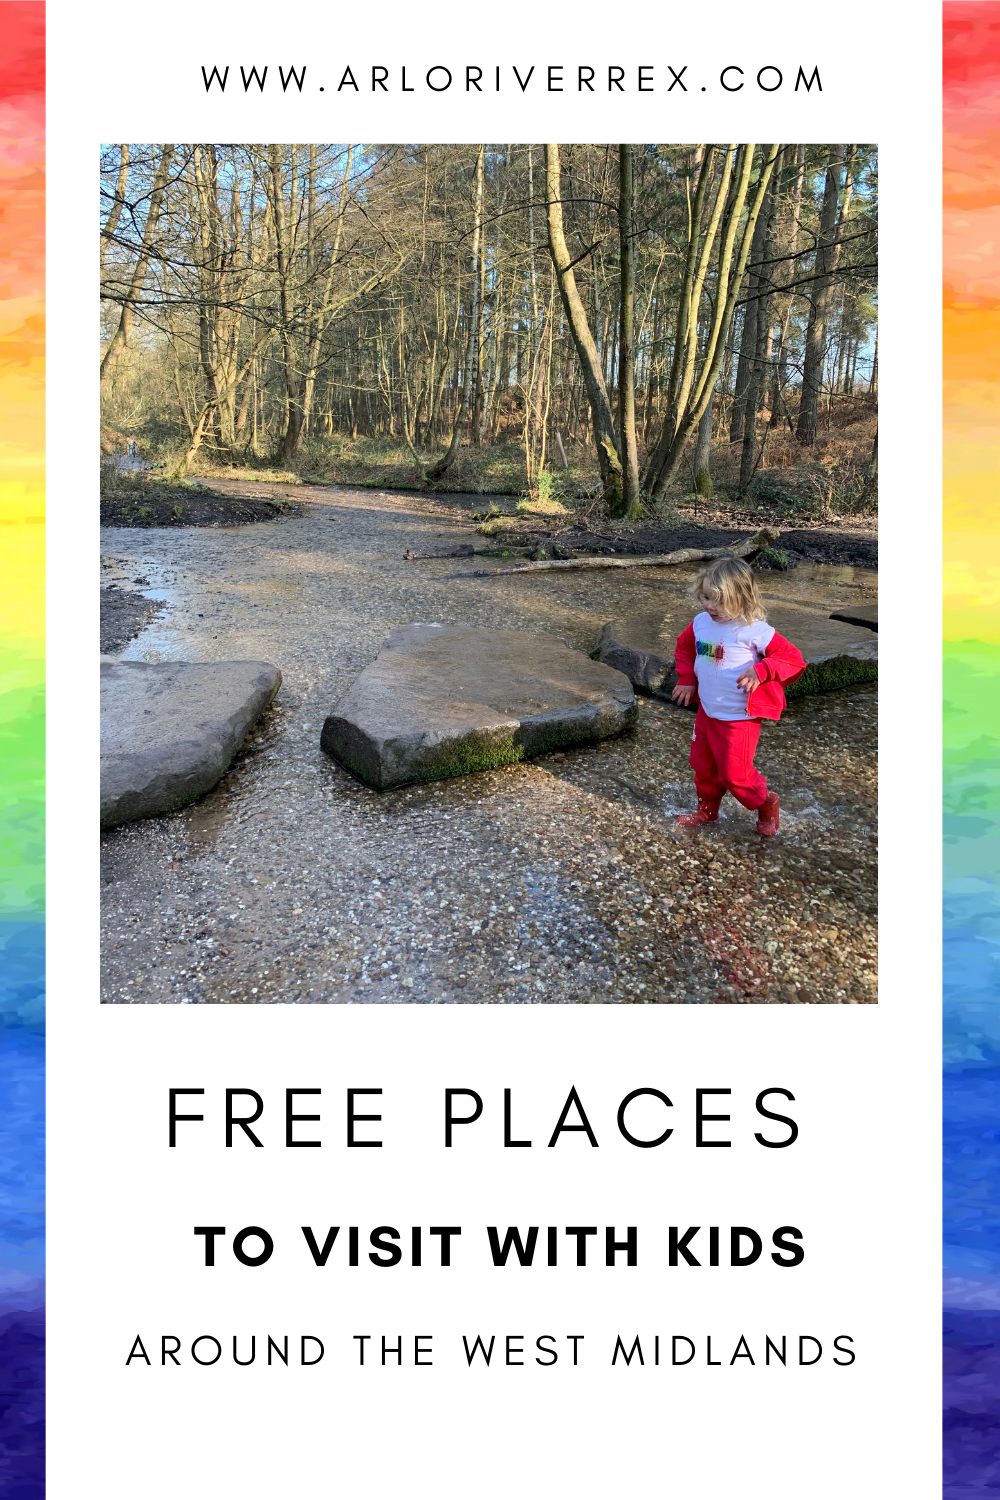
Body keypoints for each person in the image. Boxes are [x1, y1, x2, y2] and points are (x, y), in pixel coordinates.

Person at [671, 556, 805, 837]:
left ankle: (766, 802)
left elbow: (793, 659)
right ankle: (707, 811)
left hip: (738, 718)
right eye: (705, 597)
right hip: (707, 712)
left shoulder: (755, 630)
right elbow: (684, 647)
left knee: (736, 776)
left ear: (741, 599)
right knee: (702, 765)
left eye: (718, 602)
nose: (709, 606)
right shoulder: (700, 623)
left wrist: (763, 669)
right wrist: (686, 678)